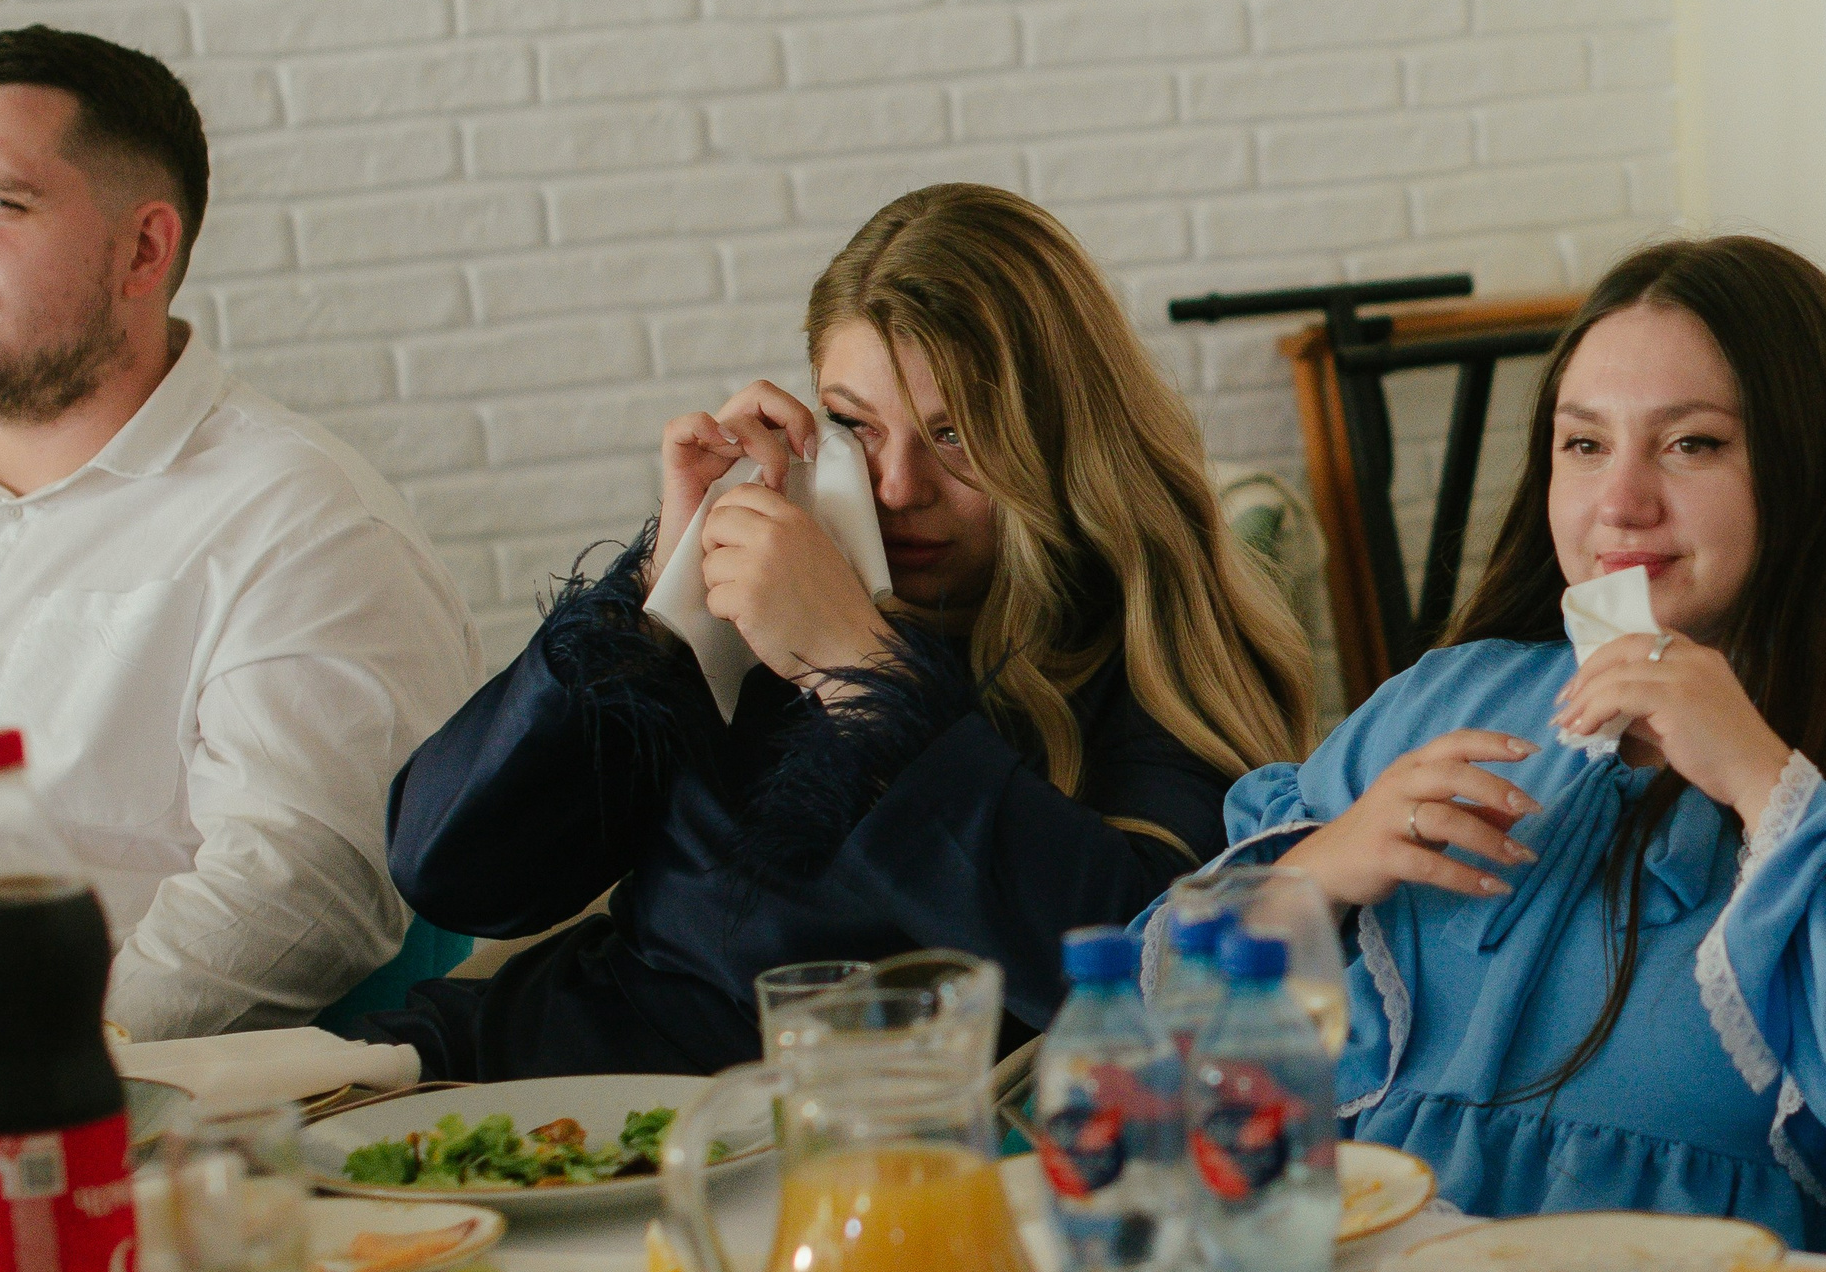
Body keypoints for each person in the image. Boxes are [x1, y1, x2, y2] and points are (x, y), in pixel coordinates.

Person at [1159, 235, 1826, 1250]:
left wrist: (1766, 783)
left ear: (1808, 468)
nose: (1619, 502)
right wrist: (1315, 871)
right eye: (1583, 443)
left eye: (1691, 444)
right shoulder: (1440, 700)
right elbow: (1167, 1035)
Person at [367, 183, 1317, 1079]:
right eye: (857, 425)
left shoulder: (1142, 641)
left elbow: (1153, 976)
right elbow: (448, 872)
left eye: (956, 436)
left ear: (1060, 435)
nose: (898, 487)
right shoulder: (756, 599)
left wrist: (859, 671)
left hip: (833, 1159)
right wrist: (656, 590)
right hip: (539, 1082)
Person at [0, 26, 483, 1040]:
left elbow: (296, 893)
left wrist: (22, 1094)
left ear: (143, 249)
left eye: (0, 201)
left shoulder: (300, 522)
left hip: (91, 1123)